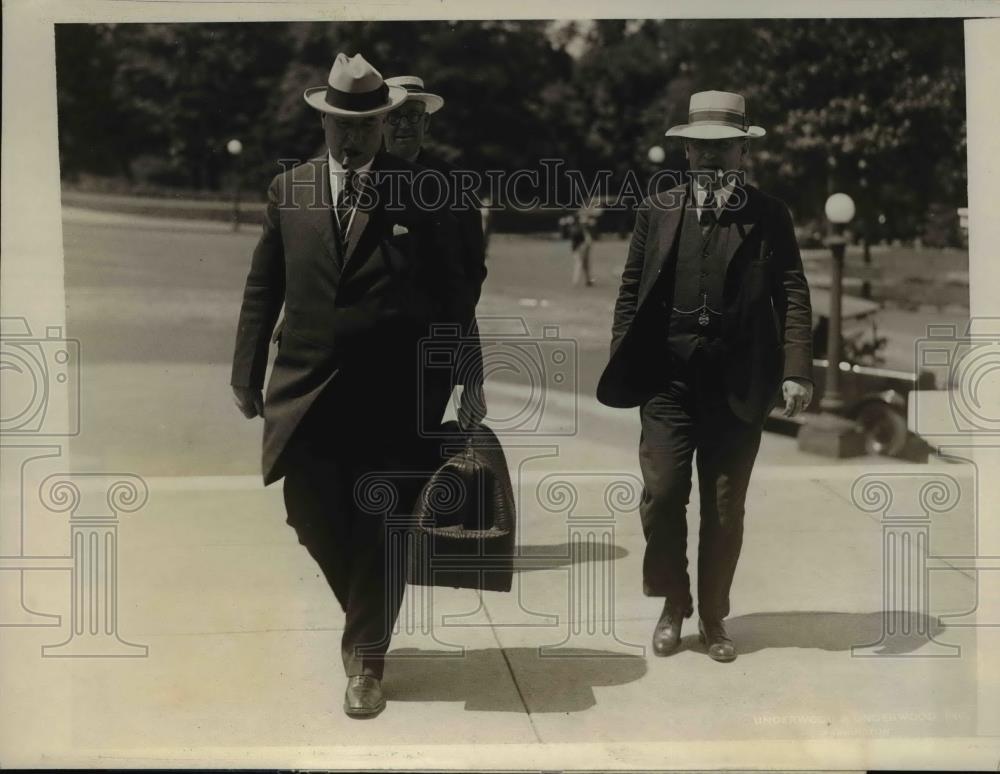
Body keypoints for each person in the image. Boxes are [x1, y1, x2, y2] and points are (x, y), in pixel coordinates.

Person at [230, 53, 475, 718]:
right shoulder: (292, 191)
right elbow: (264, 286)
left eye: (365, 123)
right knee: (307, 512)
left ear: (383, 121)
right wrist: (246, 370)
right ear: (325, 121)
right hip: (306, 390)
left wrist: (455, 381)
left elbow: (455, 294)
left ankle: (367, 660)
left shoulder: (422, 193)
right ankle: (366, 622)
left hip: (395, 395)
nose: (352, 135)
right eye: (340, 122)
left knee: (383, 523)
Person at [596, 90, 814, 663]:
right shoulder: (658, 208)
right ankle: (674, 603)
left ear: (744, 152)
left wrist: (795, 371)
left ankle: (714, 615)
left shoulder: (770, 216)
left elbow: (792, 293)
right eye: (702, 147)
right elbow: (629, 292)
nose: (713, 158)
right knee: (663, 495)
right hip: (667, 383)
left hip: (738, 384)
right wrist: (628, 354)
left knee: (723, 508)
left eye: (726, 147)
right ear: (686, 151)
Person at [382, 74, 487, 430]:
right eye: (394, 116)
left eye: (413, 116)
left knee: (412, 466)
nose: (404, 126)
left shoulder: (455, 185)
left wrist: (471, 374)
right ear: (379, 120)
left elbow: (467, 285)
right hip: (361, 357)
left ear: (427, 122)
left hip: (430, 362)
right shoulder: (355, 179)